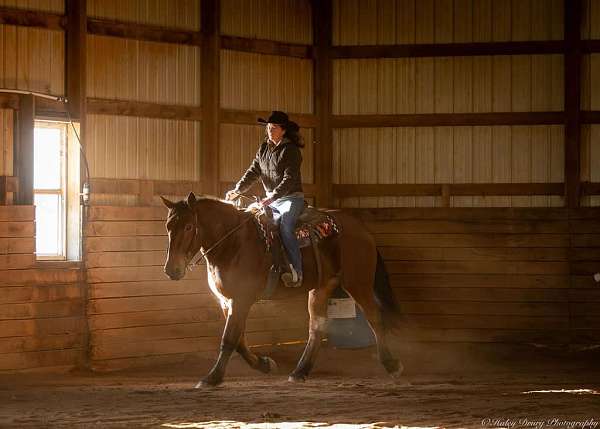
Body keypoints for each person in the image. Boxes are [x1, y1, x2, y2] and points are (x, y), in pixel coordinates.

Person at [225, 111, 305, 288]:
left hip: (291, 198)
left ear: (283, 131)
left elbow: (289, 178)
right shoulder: (263, 149)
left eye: (274, 127)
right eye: (268, 127)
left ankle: (297, 272)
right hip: (271, 199)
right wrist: (237, 190)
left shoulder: (291, 151)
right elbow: (253, 172)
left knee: (286, 227)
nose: (270, 130)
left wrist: (273, 197)